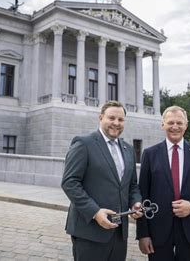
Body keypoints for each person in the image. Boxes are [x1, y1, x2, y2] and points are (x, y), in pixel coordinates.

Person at [61, 100, 143, 261]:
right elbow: (70, 182)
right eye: (111, 118)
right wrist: (95, 212)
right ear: (100, 118)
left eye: (120, 120)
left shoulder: (128, 149)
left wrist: (135, 203)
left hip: (119, 233)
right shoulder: (84, 143)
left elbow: (132, 185)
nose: (116, 123)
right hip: (89, 231)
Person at [136, 105, 190, 261]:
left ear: (186, 126)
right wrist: (143, 234)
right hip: (158, 233)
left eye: (179, 123)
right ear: (163, 125)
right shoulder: (149, 154)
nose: (175, 127)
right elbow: (143, 197)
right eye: (170, 122)